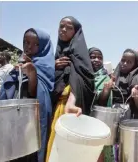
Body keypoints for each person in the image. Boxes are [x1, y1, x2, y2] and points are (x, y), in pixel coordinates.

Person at [1, 28, 55, 162]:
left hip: (32, 124)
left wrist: (32, 74)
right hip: (13, 121)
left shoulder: (47, 66)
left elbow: (39, 95)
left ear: (43, 46)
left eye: (35, 44)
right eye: (26, 42)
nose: (28, 47)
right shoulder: (21, 63)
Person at [45, 16, 95, 162]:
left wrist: (71, 102)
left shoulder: (79, 58)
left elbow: (81, 80)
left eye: (69, 27)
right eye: (61, 26)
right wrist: (52, 66)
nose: (64, 30)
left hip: (70, 111)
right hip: (54, 110)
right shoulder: (54, 58)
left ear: (76, 32)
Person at [88, 47, 114, 162]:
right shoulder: (82, 76)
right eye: (93, 57)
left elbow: (102, 103)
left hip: (100, 121)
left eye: (99, 57)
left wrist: (105, 91)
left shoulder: (105, 78)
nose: (96, 60)